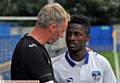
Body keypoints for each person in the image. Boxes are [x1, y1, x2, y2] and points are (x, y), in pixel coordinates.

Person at [11, 3, 70, 83]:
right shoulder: (32, 51)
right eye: (62, 31)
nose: (61, 36)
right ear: (53, 28)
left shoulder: (30, 46)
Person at [52, 15, 117, 83]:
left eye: (77, 34)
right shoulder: (55, 66)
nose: (71, 38)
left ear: (87, 38)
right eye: (69, 34)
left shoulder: (101, 63)